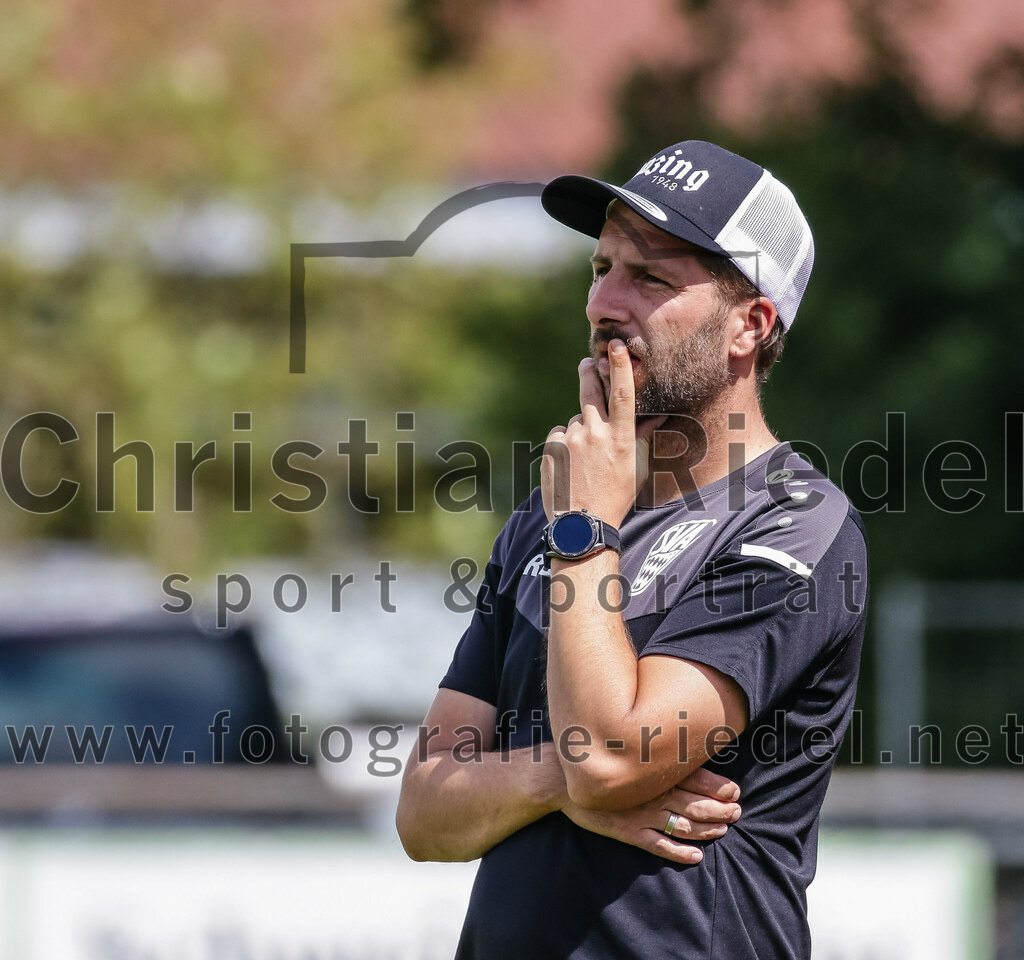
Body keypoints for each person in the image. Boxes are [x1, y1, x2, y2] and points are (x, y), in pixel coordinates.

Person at [396, 140, 868, 959]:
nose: (605, 304)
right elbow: (425, 812)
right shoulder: (551, 515)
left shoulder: (798, 527)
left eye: (649, 278)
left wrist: (584, 536)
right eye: (600, 267)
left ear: (749, 326)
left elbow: (612, 761)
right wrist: (552, 782)